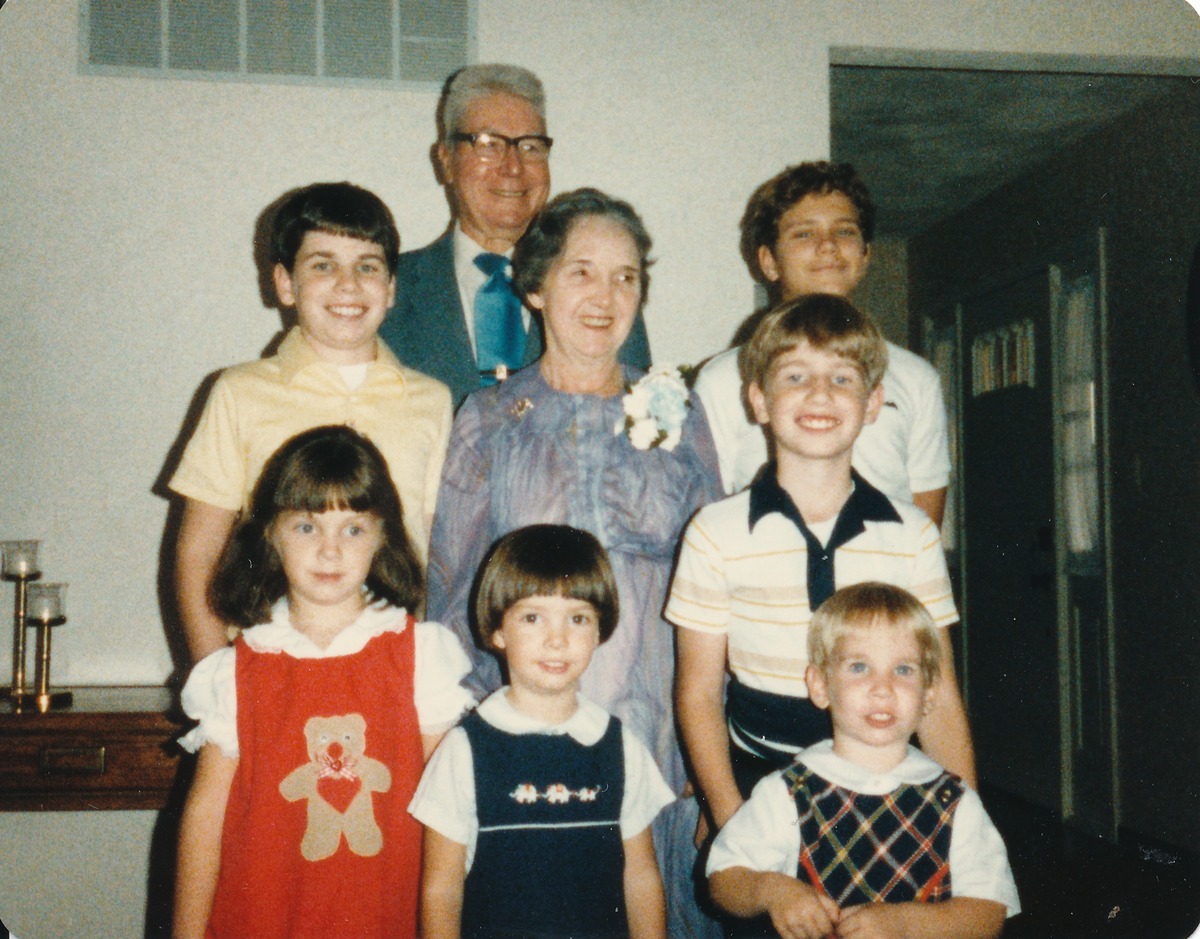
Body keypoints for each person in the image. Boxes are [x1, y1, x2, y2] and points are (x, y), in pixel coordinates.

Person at [426, 187, 724, 936]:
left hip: (659, 748)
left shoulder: (680, 411)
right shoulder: (490, 418)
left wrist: (709, 760)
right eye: (582, 272)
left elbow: (718, 591)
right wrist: (464, 745)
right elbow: (451, 592)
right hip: (523, 753)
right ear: (534, 286)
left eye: (627, 277)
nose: (607, 295)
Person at [667, 294, 975, 861]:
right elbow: (698, 693)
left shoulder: (911, 536)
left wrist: (966, 825)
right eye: (795, 376)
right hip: (758, 781)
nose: (819, 394)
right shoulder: (715, 531)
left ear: (874, 402)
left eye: (841, 377)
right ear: (758, 400)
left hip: (887, 784)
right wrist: (730, 816)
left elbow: (940, 695)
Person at [172, 425, 473, 939]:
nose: (330, 551)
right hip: (267, 913)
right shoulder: (236, 672)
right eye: (307, 527)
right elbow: (204, 820)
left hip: (383, 910)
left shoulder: (421, 655)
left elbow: (451, 806)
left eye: (353, 529)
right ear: (270, 533)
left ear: (383, 538)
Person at [169, 181, 453, 662]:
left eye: (368, 267)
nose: (348, 284)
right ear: (284, 283)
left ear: (391, 288)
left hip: (387, 668)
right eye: (323, 265)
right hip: (266, 667)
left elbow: (433, 558)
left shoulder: (431, 400)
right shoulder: (239, 393)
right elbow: (198, 556)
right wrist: (214, 684)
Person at [707, 583, 1019, 939]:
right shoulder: (790, 791)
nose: (882, 687)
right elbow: (724, 879)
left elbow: (988, 912)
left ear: (929, 693)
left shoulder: (954, 800)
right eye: (859, 667)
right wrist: (772, 891)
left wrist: (903, 924)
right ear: (821, 684)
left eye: (903, 670)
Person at [412, 524, 674, 939]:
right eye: (533, 617)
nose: (557, 639)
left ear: (600, 630)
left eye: (578, 618)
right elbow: (441, 889)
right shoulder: (465, 749)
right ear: (498, 629)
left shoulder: (618, 746)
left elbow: (640, 876)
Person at [693, 161, 950, 527]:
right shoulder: (723, 379)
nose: (828, 246)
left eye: (844, 232)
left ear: (864, 256)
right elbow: (706, 511)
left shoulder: (917, 379)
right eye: (803, 234)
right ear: (769, 261)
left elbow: (925, 521)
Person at [378, 64, 650, 407]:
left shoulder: (604, 294)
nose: (513, 166)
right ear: (445, 160)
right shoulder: (387, 288)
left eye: (530, 146)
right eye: (489, 144)